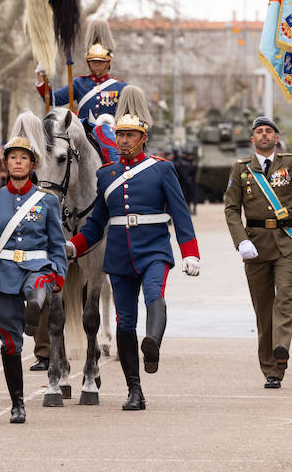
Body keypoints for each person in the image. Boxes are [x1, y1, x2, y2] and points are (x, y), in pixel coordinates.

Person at [65, 85, 200, 410]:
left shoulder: (161, 168)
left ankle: (152, 343)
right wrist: (73, 246)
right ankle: (134, 390)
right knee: (125, 323)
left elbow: (180, 213)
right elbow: (97, 223)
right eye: (120, 135)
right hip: (119, 254)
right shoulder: (106, 174)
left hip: (154, 248)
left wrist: (190, 251)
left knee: (155, 295)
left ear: (142, 137)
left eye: (130, 135)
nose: (124, 140)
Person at [223, 116, 292, 389]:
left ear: (275, 137)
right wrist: (240, 241)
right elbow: (231, 209)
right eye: (259, 131)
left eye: (268, 131)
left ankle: (281, 350)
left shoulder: (290, 162)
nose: (264, 135)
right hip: (256, 246)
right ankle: (270, 369)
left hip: (286, 243)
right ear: (252, 139)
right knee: (263, 310)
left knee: (285, 298)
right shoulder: (241, 169)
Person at [0, 111, 67, 424]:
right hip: (2, 273)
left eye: (23, 158)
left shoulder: (46, 201)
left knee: (38, 286)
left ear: (32, 164)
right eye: (12, 158)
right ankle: (17, 403)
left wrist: (59, 273)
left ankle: (35, 306)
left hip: (37, 267)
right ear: (6, 163)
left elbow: (56, 244)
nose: (18, 162)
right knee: (9, 344)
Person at [35, 18, 127, 160]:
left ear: (108, 62)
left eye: (100, 62)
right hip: (84, 134)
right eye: (93, 61)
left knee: (117, 157)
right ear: (88, 62)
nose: (97, 65)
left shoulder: (120, 87)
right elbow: (53, 99)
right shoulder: (79, 83)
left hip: (110, 135)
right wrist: (42, 77)